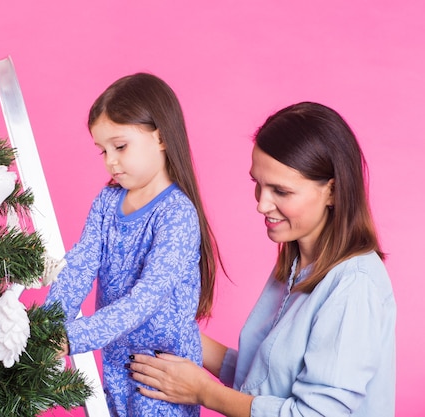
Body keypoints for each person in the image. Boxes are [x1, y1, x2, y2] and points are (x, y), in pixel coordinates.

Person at [129, 101, 396, 417]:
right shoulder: (296, 265)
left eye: (281, 191)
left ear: (333, 192)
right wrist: (178, 333)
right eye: (258, 184)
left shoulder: (354, 285)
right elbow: (265, 380)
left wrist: (203, 391)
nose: (262, 204)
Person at [44, 73, 221, 416]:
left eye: (120, 146)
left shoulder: (176, 215)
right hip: (117, 364)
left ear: (161, 138)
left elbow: (145, 299)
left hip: (163, 374)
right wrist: (48, 326)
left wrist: (72, 338)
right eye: (103, 150)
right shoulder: (108, 201)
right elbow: (80, 264)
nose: (111, 161)